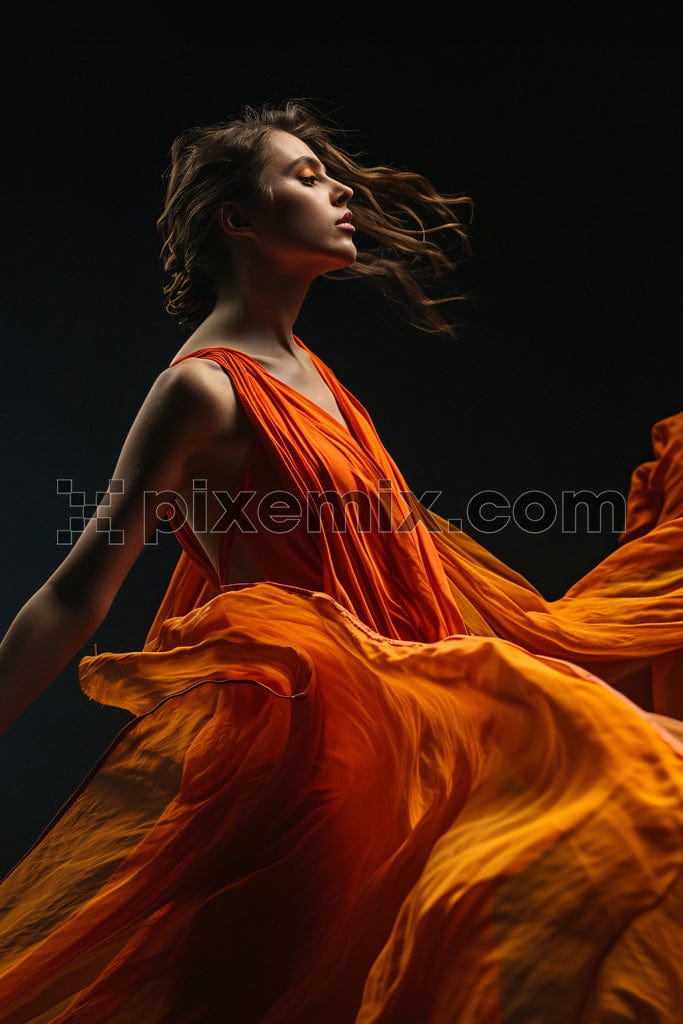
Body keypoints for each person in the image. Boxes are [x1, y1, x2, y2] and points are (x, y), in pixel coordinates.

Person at [1, 99, 682, 1023]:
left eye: (330, 173)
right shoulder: (200, 388)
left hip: (409, 718)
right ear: (239, 220)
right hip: (312, 748)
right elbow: (77, 591)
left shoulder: (312, 373)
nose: (342, 189)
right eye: (306, 176)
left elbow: (397, 572)